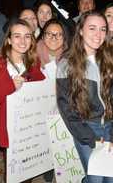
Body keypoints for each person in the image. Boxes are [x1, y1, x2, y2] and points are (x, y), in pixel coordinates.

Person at [56, 11, 113, 183]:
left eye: (103, 29)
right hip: (87, 128)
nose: (98, 34)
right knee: (95, 179)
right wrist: (91, 138)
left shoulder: (109, 59)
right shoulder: (67, 63)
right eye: (92, 28)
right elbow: (66, 108)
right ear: (80, 30)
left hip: (110, 127)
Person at [0, 18, 45, 182]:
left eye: (27, 36)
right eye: (17, 36)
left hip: (29, 124)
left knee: (28, 168)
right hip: (8, 124)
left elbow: (39, 90)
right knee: (14, 170)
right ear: (9, 40)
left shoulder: (34, 62)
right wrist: (10, 86)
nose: (23, 41)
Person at [36, 18, 69, 183]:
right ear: (43, 36)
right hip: (40, 107)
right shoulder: (32, 55)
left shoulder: (71, 57)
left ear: (64, 37)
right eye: (50, 34)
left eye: (59, 34)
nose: (54, 38)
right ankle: (47, 165)